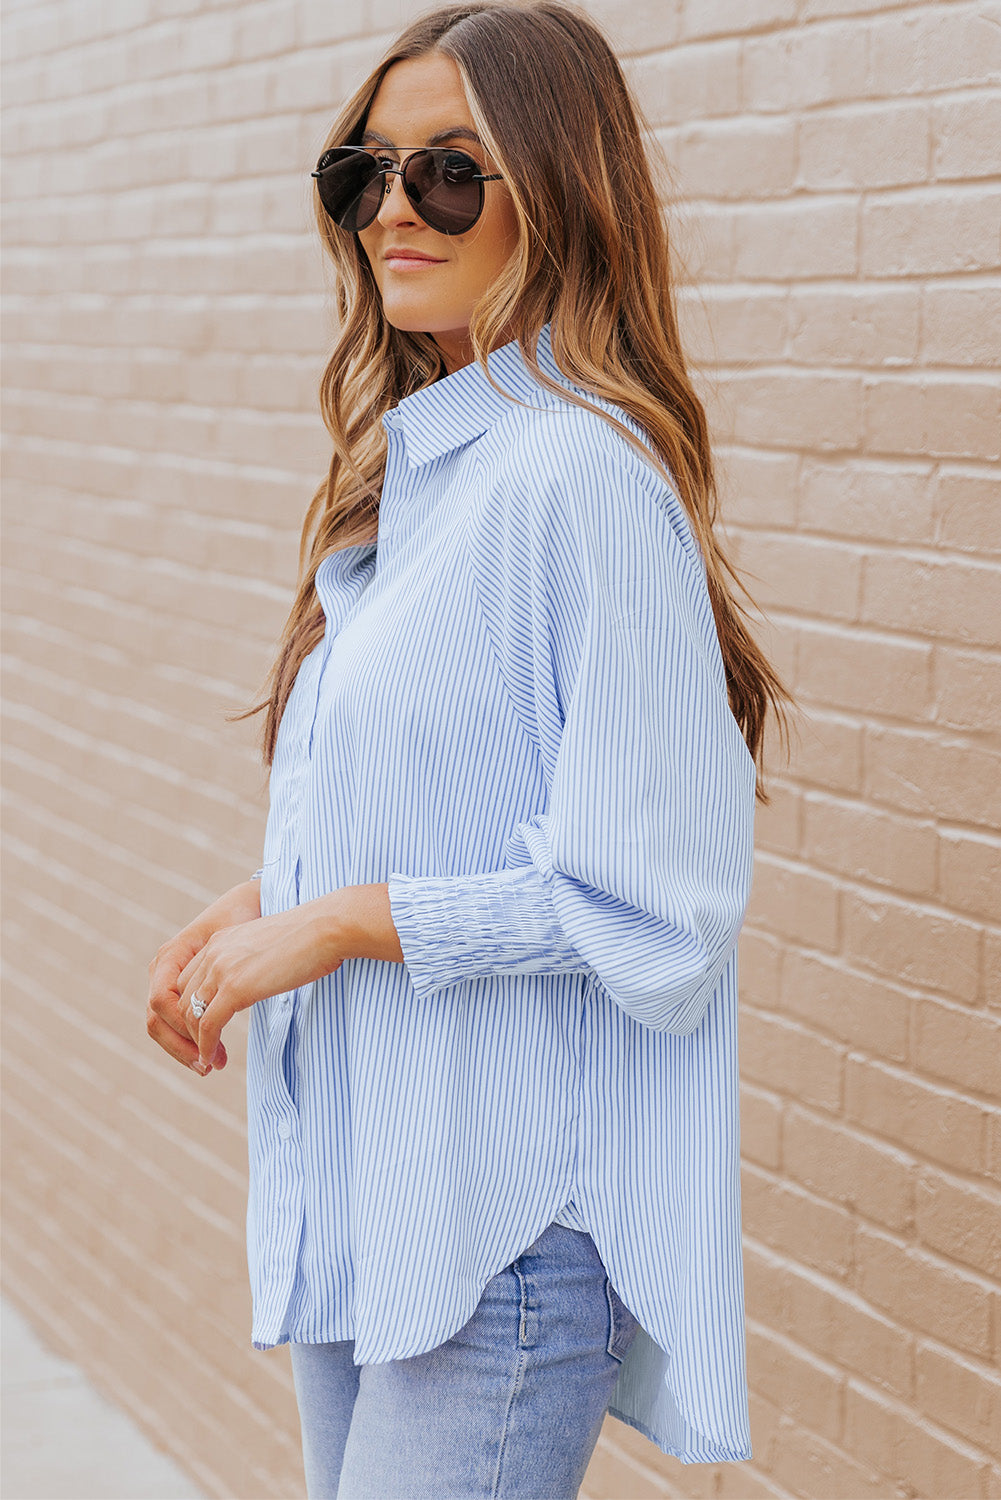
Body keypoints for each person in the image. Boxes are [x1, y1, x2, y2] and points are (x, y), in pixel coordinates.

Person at [147, 3, 788, 1496]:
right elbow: (460, 800)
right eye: (360, 173)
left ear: (560, 190)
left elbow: (661, 906)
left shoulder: (576, 475)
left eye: (447, 172)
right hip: (373, 1203)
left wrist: (340, 923)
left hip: (490, 1239)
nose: (390, 209)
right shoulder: (425, 472)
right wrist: (264, 908)